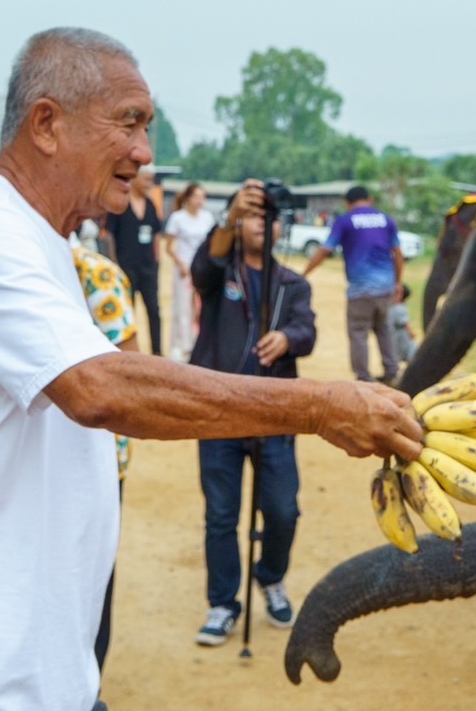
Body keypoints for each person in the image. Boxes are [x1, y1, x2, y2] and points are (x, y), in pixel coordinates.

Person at [0, 27, 421, 711]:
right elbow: (100, 388)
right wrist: (321, 406)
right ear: (47, 124)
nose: (145, 152)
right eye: (128, 123)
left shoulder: (32, 237)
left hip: (26, 669)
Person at [189, 179, 317, 646]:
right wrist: (230, 217)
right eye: (251, 216)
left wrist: (288, 338)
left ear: (280, 226)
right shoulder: (220, 273)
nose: (261, 224)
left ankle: (271, 576)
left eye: (268, 217)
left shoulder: (293, 284)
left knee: (282, 510)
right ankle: (223, 602)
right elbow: (200, 267)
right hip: (218, 412)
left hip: (274, 416)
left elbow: (307, 330)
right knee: (221, 515)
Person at [69, 242, 140, 685]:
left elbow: (133, 375)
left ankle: (85, 686)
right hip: (33, 464)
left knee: (89, 582)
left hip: (95, 458)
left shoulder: (95, 273)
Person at [301, 186, 403, 383]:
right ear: (369, 199)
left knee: (358, 332)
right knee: (384, 329)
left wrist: (304, 273)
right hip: (385, 288)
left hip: (360, 290)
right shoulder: (386, 220)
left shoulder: (345, 221)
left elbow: (326, 250)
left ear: (347, 203)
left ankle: (364, 377)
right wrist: (397, 282)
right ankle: (392, 371)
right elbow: (397, 253)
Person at [105, 165, 164, 354]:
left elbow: (156, 233)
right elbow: (110, 234)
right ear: (135, 179)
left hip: (148, 266)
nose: (150, 184)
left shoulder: (151, 205)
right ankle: (128, 353)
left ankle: (157, 352)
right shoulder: (121, 204)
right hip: (126, 266)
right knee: (128, 312)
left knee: (154, 311)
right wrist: (115, 262)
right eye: (147, 180)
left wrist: (156, 261)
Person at [163, 181, 215, 361]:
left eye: (203, 197)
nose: (200, 201)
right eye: (196, 196)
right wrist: (181, 263)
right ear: (188, 198)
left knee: (200, 307)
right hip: (184, 268)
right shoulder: (177, 218)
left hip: (202, 268)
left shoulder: (207, 218)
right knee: (182, 307)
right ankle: (181, 345)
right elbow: (169, 246)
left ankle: (197, 342)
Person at [390, 283, 417, 367]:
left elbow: (405, 322)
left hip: (400, 335)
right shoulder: (396, 307)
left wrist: (410, 332)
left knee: (405, 352)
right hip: (398, 335)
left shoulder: (398, 308)